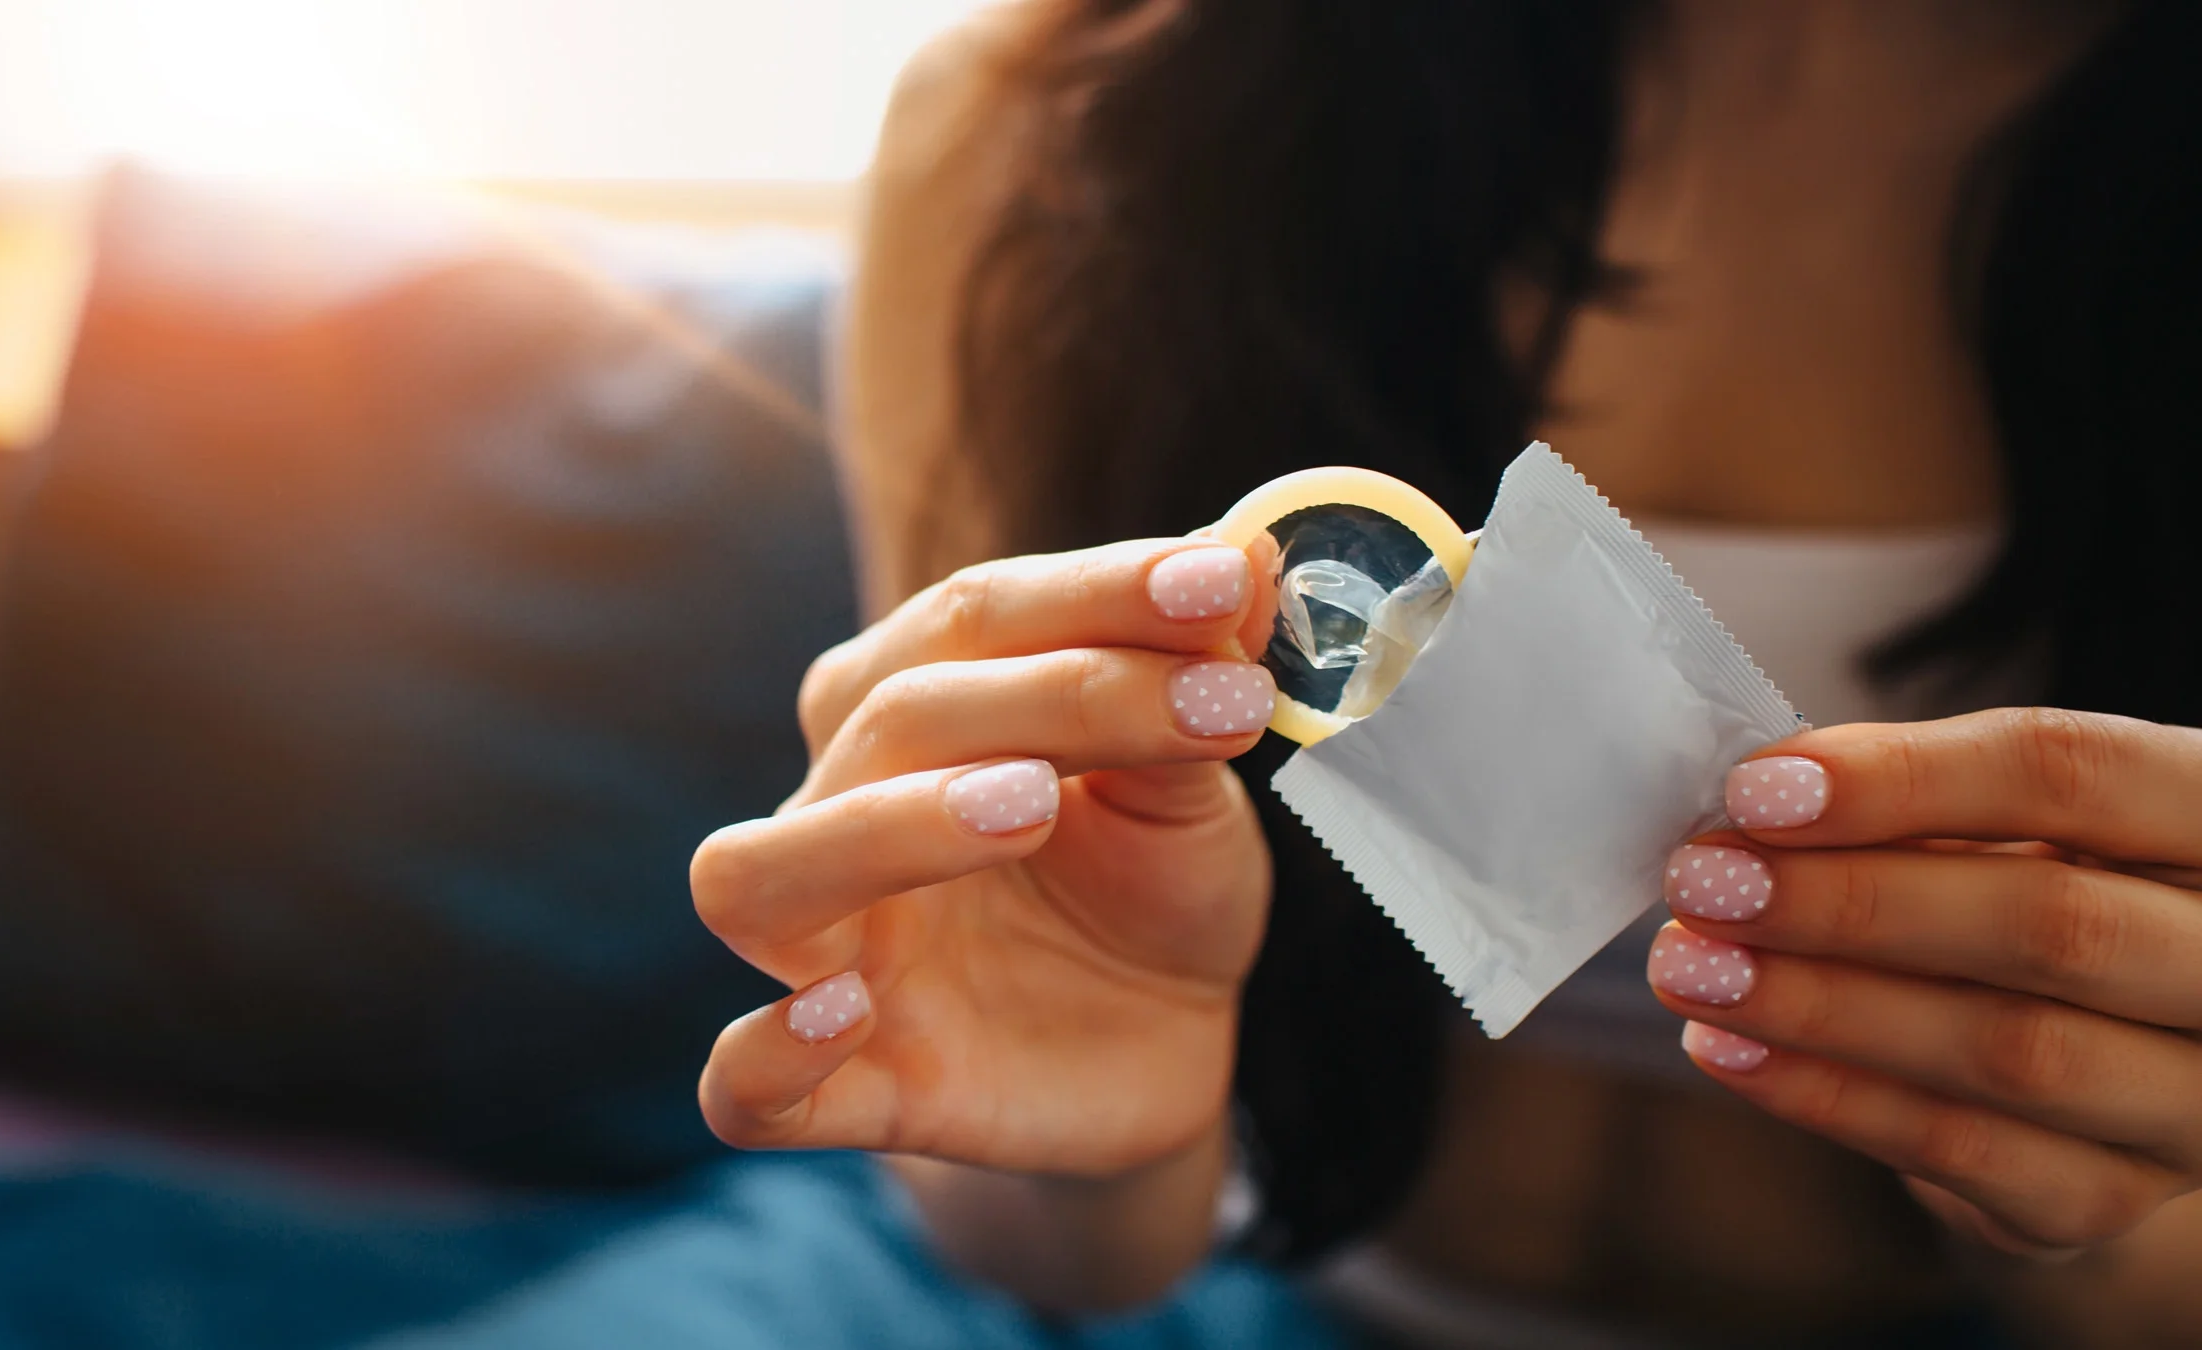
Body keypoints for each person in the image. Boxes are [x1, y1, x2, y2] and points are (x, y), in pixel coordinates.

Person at [689, 1, 2202, 1344]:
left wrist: (2102, 1197)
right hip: (1244, 1281)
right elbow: (1037, 1200)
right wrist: (1088, 1157)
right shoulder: (1041, 129)